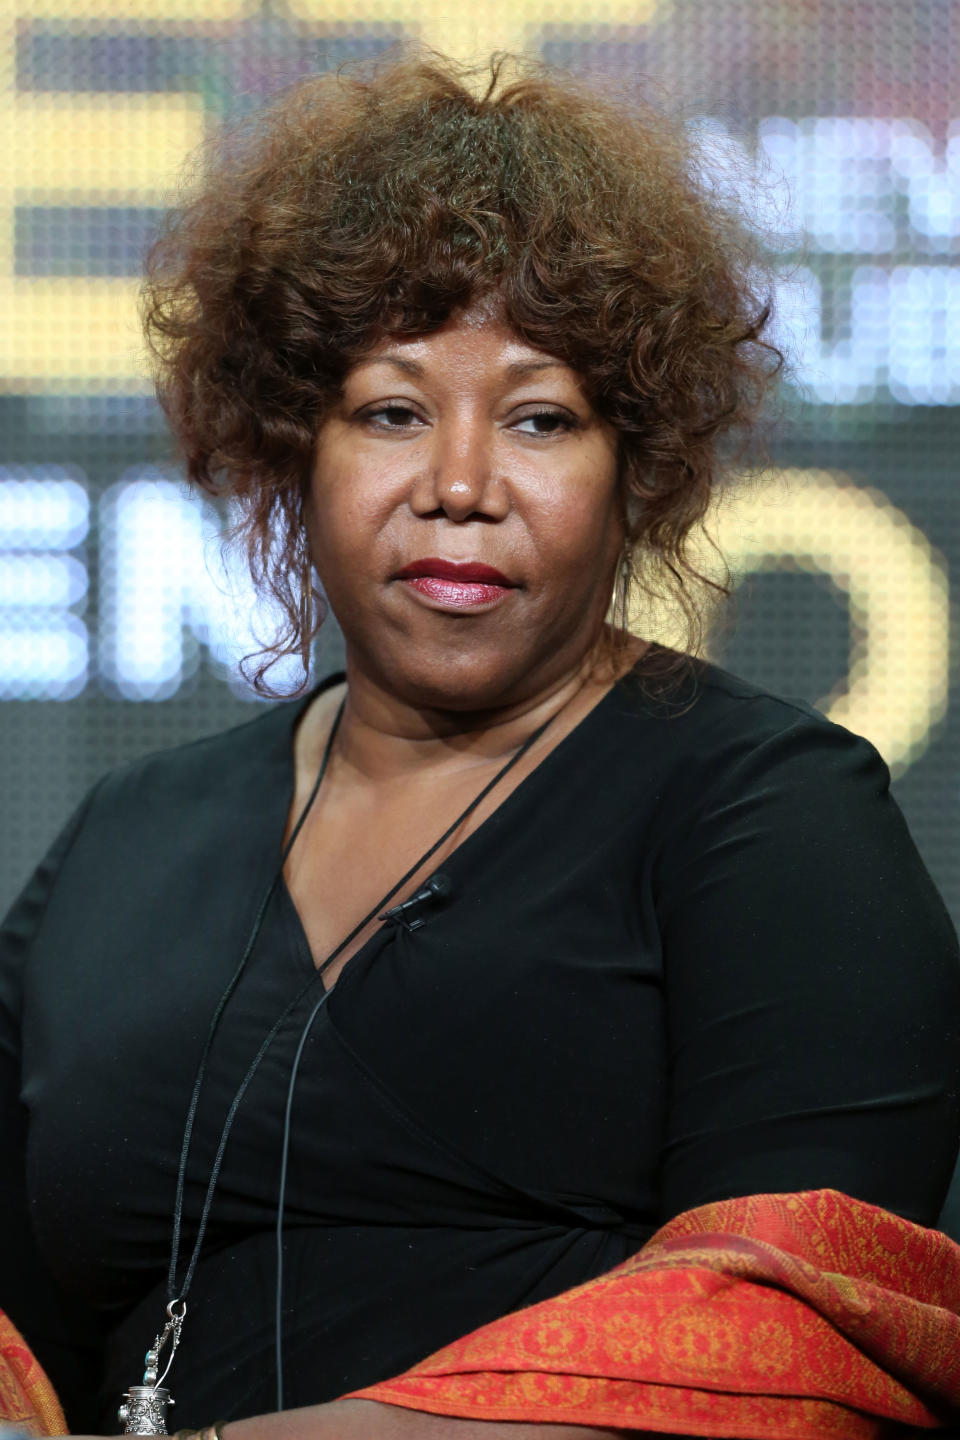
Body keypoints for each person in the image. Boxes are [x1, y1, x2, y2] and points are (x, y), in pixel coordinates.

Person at [2, 51, 960, 1440]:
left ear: (637, 466)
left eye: (538, 419)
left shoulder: (770, 815)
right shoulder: (127, 836)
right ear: (295, 444)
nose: (459, 486)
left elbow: (804, 1318)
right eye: (392, 411)